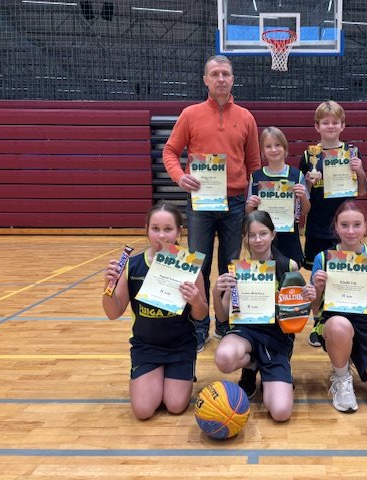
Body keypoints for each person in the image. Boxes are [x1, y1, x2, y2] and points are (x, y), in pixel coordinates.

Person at [162, 54, 261, 352]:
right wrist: (180, 177)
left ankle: (225, 323)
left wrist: (253, 201)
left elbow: (254, 165)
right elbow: (170, 152)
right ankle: (199, 326)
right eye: (215, 74)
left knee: (230, 267)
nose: (221, 78)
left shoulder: (246, 117)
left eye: (225, 74)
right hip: (201, 203)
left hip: (235, 204)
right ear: (205, 79)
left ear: (233, 79)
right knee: (199, 267)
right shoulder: (190, 114)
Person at [101, 201, 208, 420]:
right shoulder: (133, 265)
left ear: (179, 231)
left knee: (175, 406)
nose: (161, 235)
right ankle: (150, 378)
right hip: (146, 347)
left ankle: (181, 372)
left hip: (180, 346)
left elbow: (201, 315)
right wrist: (108, 286)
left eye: (168, 229)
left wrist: (196, 300)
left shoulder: (190, 265)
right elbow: (113, 313)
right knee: (143, 411)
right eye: (155, 228)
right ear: (147, 230)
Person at [213, 211, 316, 422]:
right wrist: (216, 292)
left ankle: (273, 367)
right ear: (245, 238)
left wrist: (309, 297)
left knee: (281, 412)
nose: (258, 240)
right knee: (224, 358)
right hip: (245, 333)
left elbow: (299, 312)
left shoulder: (289, 266)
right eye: (252, 235)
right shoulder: (237, 270)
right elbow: (222, 317)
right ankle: (251, 365)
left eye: (263, 233)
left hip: (277, 338)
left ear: (273, 234)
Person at [310, 200, 367, 413]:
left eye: (356, 225)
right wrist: (317, 288)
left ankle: (354, 356)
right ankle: (341, 378)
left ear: (365, 226)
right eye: (344, 225)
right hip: (334, 325)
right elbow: (314, 308)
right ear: (336, 227)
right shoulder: (323, 258)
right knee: (339, 326)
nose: (350, 231)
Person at [299, 100, 367, 347]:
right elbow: (302, 197)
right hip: (318, 224)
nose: (330, 126)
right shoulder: (309, 155)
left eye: (335, 122)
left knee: (343, 275)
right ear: (317, 126)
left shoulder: (352, 154)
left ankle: (344, 321)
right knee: (318, 277)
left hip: (345, 227)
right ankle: (319, 322)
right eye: (325, 122)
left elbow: (361, 191)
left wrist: (360, 171)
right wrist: (308, 182)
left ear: (343, 125)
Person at [245, 126, 310, 270]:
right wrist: (250, 205)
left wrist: (303, 197)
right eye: (268, 146)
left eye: (277, 145)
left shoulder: (296, 175)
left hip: (289, 238)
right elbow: (249, 213)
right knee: (265, 274)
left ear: (285, 148)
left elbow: (305, 210)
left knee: (290, 274)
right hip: (263, 239)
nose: (273, 149)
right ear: (262, 151)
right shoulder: (256, 177)